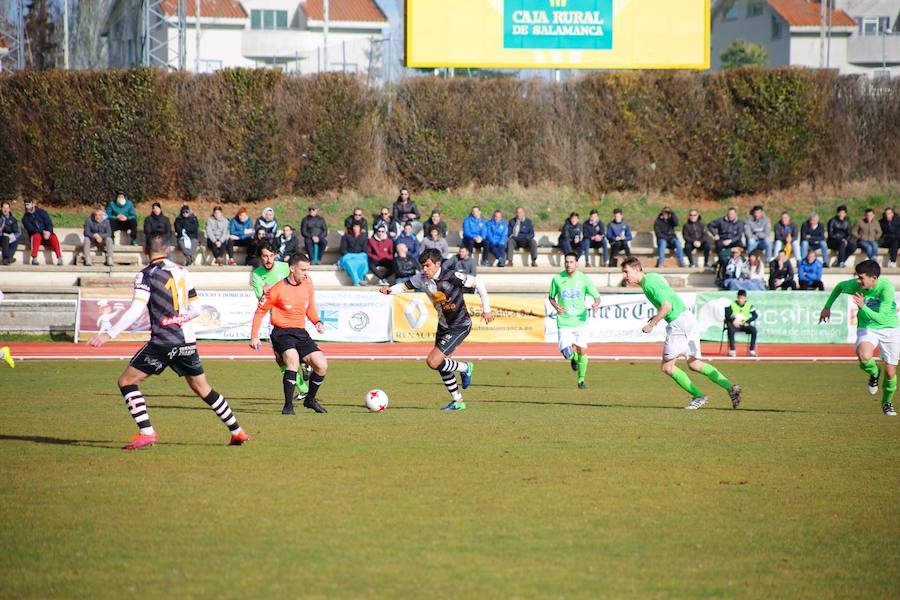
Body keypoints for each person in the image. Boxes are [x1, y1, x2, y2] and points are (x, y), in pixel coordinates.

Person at [87, 234, 249, 449]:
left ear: (145, 251)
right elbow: (197, 310)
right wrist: (179, 318)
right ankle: (237, 431)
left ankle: (147, 433)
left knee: (126, 381)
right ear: (168, 250)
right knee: (203, 388)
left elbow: (136, 309)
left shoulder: (146, 275)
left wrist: (110, 333)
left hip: (164, 341)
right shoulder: (183, 272)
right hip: (187, 341)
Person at [621, 256, 742, 410]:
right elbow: (666, 291)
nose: (625, 276)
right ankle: (731, 387)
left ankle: (699, 396)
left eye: (626, 272)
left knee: (667, 367)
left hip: (678, 323)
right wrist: (658, 313)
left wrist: (652, 324)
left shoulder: (649, 284)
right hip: (687, 317)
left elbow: (667, 306)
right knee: (694, 363)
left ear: (637, 269)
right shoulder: (652, 277)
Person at [379, 248, 493, 411]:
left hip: (460, 325)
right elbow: (404, 286)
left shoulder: (452, 276)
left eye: (427, 266)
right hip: (443, 325)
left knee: (433, 361)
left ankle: (466, 368)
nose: (424, 270)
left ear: (438, 264)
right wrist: (390, 290)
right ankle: (458, 401)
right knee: (442, 364)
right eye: (422, 266)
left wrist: (486, 309)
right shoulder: (421, 279)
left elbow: (478, 283)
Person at [251, 253, 328, 415]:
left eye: (308, 269)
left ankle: (310, 400)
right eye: (303, 269)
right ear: (292, 269)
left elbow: (310, 306)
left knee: (321, 365)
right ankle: (288, 406)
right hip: (281, 333)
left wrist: (317, 322)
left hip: (300, 332)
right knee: (292, 361)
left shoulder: (307, 283)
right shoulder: (277, 289)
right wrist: (254, 336)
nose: (306, 273)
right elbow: (260, 311)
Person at [820, 260, 900, 416]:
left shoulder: (886, 288)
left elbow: (882, 319)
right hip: (868, 327)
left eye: (861, 277)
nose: (858, 281)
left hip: (890, 329)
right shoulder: (855, 285)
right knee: (864, 355)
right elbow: (839, 287)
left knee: (890, 373)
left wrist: (864, 306)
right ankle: (874, 373)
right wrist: (827, 307)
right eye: (857, 277)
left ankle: (887, 403)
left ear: (873, 278)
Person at [250, 241, 309, 402]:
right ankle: (303, 385)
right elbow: (262, 299)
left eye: (271, 255)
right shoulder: (256, 275)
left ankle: (304, 372)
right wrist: (265, 292)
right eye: (264, 256)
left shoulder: (285, 267)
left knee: (286, 355)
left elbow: (304, 279)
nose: (268, 259)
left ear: (275, 255)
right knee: (280, 357)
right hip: (275, 319)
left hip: (294, 315)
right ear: (260, 257)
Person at [548, 252, 601, 389]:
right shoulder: (557, 279)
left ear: (576, 263)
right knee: (567, 353)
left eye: (571, 262)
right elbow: (551, 297)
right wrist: (556, 306)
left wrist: (596, 303)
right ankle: (573, 359)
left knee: (582, 350)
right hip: (564, 321)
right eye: (566, 261)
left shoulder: (583, 279)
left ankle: (581, 380)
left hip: (580, 321)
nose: (568, 264)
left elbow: (596, 296)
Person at [22, 198, 62, 266]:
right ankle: (34, 258)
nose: (27, 207)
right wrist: (42, 231)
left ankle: (59, 258)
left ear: (33, 204)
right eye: (25, 205)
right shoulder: (25, 218)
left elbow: (49, 223)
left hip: (47, 234)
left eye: (28, 205)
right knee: (36, 236)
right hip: (36, 235)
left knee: (53, 237)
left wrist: (48, 231)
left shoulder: (42, 212)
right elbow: (31, 229)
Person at [725, 290, 758, 357]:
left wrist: (747, 322)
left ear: (745, 298)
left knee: (754, 330)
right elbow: (727, 315)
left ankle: (751, 350)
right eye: (739, 298)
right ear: (737, 297)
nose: (740, 300)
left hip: (745, 325)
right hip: (735, 325)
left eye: (742, 298)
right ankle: (732, 350)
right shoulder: (732, 304)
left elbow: (755, 315)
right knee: (730, 330)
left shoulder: (749, 305)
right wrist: (733, 321)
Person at [1, 201, 21, 265]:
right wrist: (3, 234)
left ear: (9, 209)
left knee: (15, 240)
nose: (5, 210)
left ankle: (8, 258)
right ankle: (6, 258)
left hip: (9, 237)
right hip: (1, 237)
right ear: (1, 208)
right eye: (4, 208)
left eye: (7, 208)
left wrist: (12, 236)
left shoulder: (13, 220)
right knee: (5, 238)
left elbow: (18, 232)